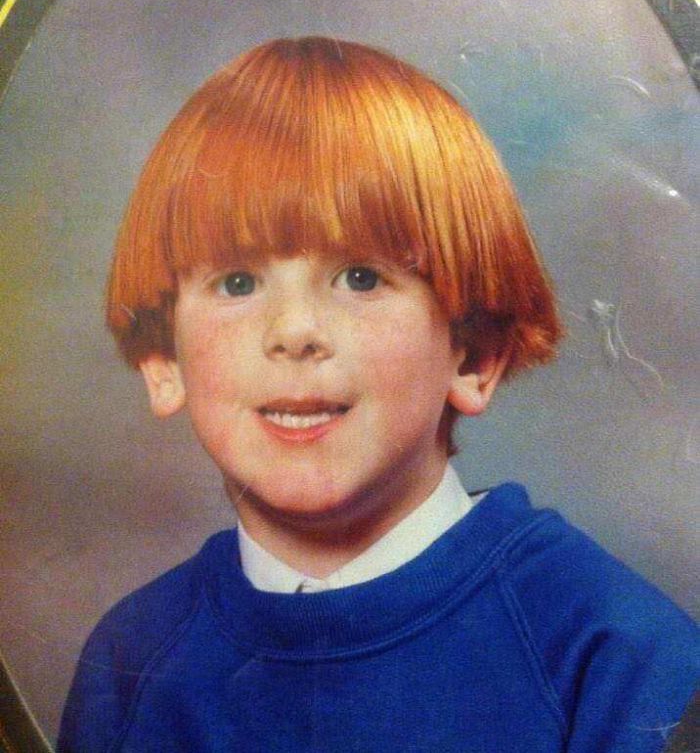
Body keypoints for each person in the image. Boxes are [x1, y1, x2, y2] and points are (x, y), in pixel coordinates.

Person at [58, 37, 698, 752]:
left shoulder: (612, 655)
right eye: (237, 282)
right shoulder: (130, 662)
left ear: (476, 354)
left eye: (360, 277)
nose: (295, 331)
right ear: (161, 359)